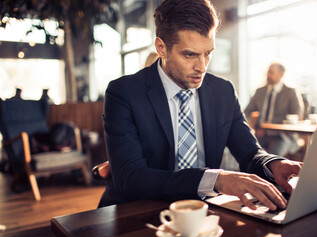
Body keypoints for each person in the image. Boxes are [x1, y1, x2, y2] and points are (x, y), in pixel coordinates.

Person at [99, 0, 302, 212]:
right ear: (161, 48)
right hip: (138, 213)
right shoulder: (124, 93)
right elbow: (131, 178)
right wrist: (215, 180)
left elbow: (250, 153)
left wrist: (273, 164)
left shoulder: (222, 91)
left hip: (205, 212)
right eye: (190, 54)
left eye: (208, 53)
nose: (202, 67)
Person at [244, 63, 304, 156]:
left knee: (272, 157)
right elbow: (246, 112)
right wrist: (253, 126)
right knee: (245, 150)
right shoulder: (260, 91)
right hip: (260, 134)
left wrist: (268, 127)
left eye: (271, 72)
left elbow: (297, 115)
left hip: (282, 136)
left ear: (281, 74)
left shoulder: (290, 91)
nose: (268, 75)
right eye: (268, 72)